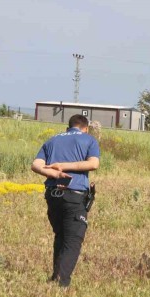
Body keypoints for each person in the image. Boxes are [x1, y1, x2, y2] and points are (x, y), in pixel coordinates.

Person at [31, 114, 100, 287]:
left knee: (60, 236)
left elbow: (36, 165)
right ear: (85, 128)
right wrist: (62, 166)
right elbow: (93, 164)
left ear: (67, 128)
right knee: (73, 240)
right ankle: (62, 283)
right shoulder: (89, 140)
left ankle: (55, 277)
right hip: (74, 195)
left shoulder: (52, 140)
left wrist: (53, 173)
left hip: (52, 194)